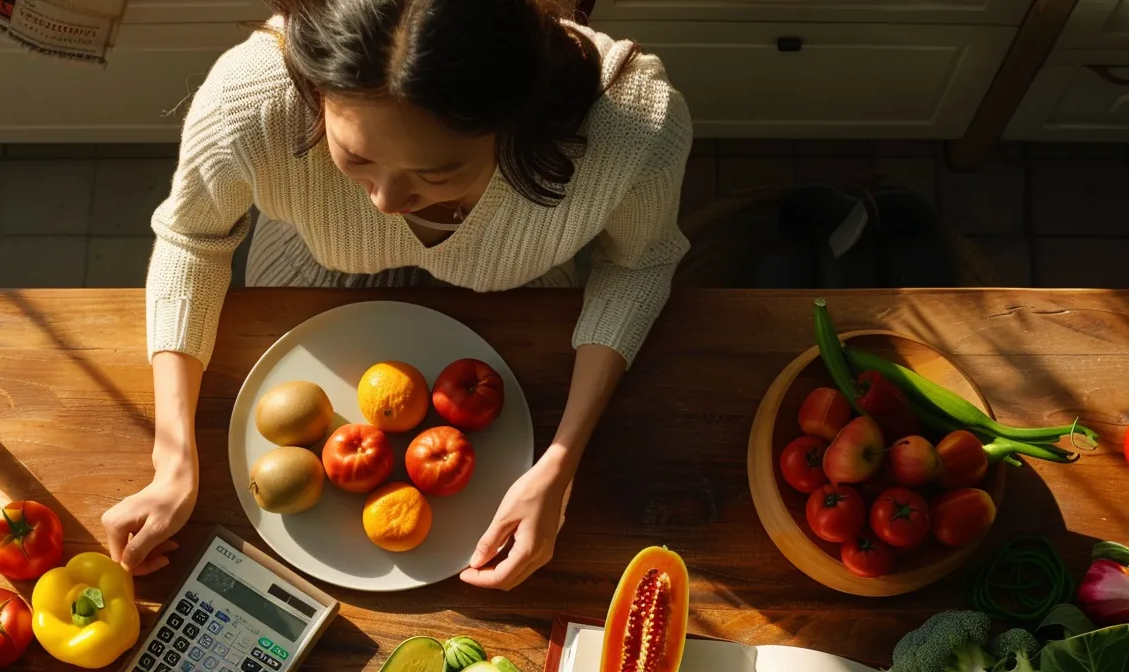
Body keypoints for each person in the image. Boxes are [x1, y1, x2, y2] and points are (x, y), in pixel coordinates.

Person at [102, 0, 691, 590]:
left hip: (526, 307)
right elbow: (192, 238)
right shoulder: (253, 97)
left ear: (518, 116)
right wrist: (174, 457)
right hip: (308, 281)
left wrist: (562, 461)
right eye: (356, 157)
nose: (384, 200)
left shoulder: (630, 128)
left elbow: (639, 265)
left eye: (437, 173)